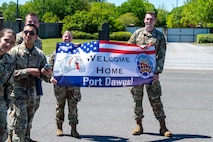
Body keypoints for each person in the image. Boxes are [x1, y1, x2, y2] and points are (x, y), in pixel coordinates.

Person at [128, 11, 172, 137]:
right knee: (137, 100)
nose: (149, 21)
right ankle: (139, 125)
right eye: (147, 19)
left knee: (156, 99)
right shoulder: (137, 34)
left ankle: (163, 127)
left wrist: (157, 71)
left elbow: (161, 55)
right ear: (144, 20)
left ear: (155, 21)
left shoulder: (159, 36)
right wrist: (138, 48)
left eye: (151, 19)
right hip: (137, 74)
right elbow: (127, 50)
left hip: (151, 74)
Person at [8, 24, 51, 142]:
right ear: (22, 34)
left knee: (28, 125)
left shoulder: (40, 54)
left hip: (33, 95)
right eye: (26, 32)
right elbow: (8, 73)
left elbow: (44, 76)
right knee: (19, 126)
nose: (28, 35)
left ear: (36, 37)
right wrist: (27, 71)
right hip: (18, 95)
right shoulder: (14, 52)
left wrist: (46, 74)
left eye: (31, 33)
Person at [49, 30, 81, 138]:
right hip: (60, 83)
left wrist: (79, 48)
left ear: (72, 38)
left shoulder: (77, 50)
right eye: (65, 36)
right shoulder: (56, 52)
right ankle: (59, 127)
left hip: (73, 84)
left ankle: (74, 129)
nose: (67, 38)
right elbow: (50, 66)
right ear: (62, 37)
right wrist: (51, 77)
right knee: (60, 105)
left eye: (69, 37)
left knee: (73, 107)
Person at [0, 28, 16, 142]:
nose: (8, 44)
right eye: (6, 40)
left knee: (2, 134)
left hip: (0, 103)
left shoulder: (9, 60)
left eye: (11, 42)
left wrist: (7, 104)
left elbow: (9, 85)